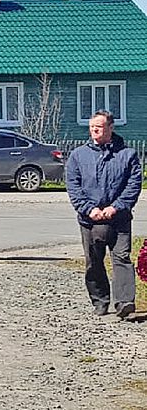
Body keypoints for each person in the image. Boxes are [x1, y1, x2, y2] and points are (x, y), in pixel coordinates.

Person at [66, 111, 141, 319]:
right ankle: (100, 301)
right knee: (93, 262)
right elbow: (73, 186)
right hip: (90, 220)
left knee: (122, 258)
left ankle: (125, 303)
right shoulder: (78, 156)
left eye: (99, 127)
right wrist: (89, 208)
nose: (94, 131)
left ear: (110, 128)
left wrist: (116, 206)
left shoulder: (127, 155)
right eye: (92, 127)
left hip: (119, 219)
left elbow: (133, 185)